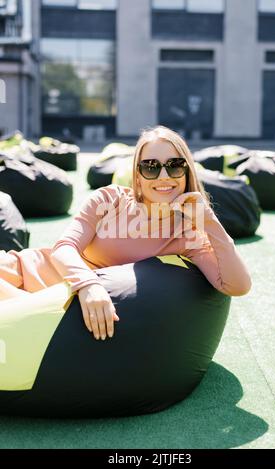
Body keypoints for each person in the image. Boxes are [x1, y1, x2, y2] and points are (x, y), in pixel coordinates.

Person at [0, 126, 251, 341]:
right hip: (23, 275)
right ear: (138, 176)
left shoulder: (188, 233)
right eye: (151, 167)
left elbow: (237, 285)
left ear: (187, 172)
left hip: (54, 304)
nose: (164, 176)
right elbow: (64, 247)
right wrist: (89, 285)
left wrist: (209, 220)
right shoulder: (109, 199)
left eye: (175, 166)